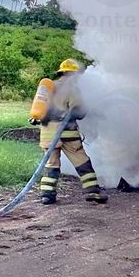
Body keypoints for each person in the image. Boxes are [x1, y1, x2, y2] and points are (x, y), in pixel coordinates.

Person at [29, 58, 108, 205]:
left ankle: (47, 195)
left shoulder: (48, 87)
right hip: (66, 134)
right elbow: (79, 111)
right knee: (82, 161)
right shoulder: (71, 89)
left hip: (46, 134)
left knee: (51, 165)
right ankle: (92, 192)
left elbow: (39, 111)